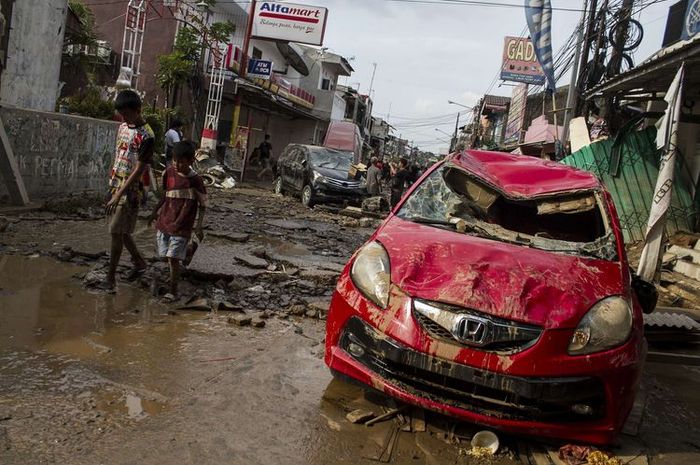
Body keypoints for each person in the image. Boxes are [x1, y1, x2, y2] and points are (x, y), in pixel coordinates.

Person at [103, 89, 154, 293]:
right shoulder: (123, 127)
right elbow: (119, 155)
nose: (124, 118)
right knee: (121, 232)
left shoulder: (147, 135)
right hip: (115, 184)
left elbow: (139, 168)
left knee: (116, 231)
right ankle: (140, 263)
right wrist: (112, 186)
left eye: (127, 114)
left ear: (138, 110)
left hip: (130, 190)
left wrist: (119, 193)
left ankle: (110, 278)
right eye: (122, 114)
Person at [149, 141, 207, 301]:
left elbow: (203, 205)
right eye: (174, 160)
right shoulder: (168, 173)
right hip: (165, 222)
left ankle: (173, 292)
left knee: (173, 259)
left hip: (182, 225)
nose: (177, 164)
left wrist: (199, 226)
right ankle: (188, 253)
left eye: (181, 161)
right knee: (165, 256)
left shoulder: (196, 180)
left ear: (191, 161)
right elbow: (165, 194)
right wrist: (154, 212)